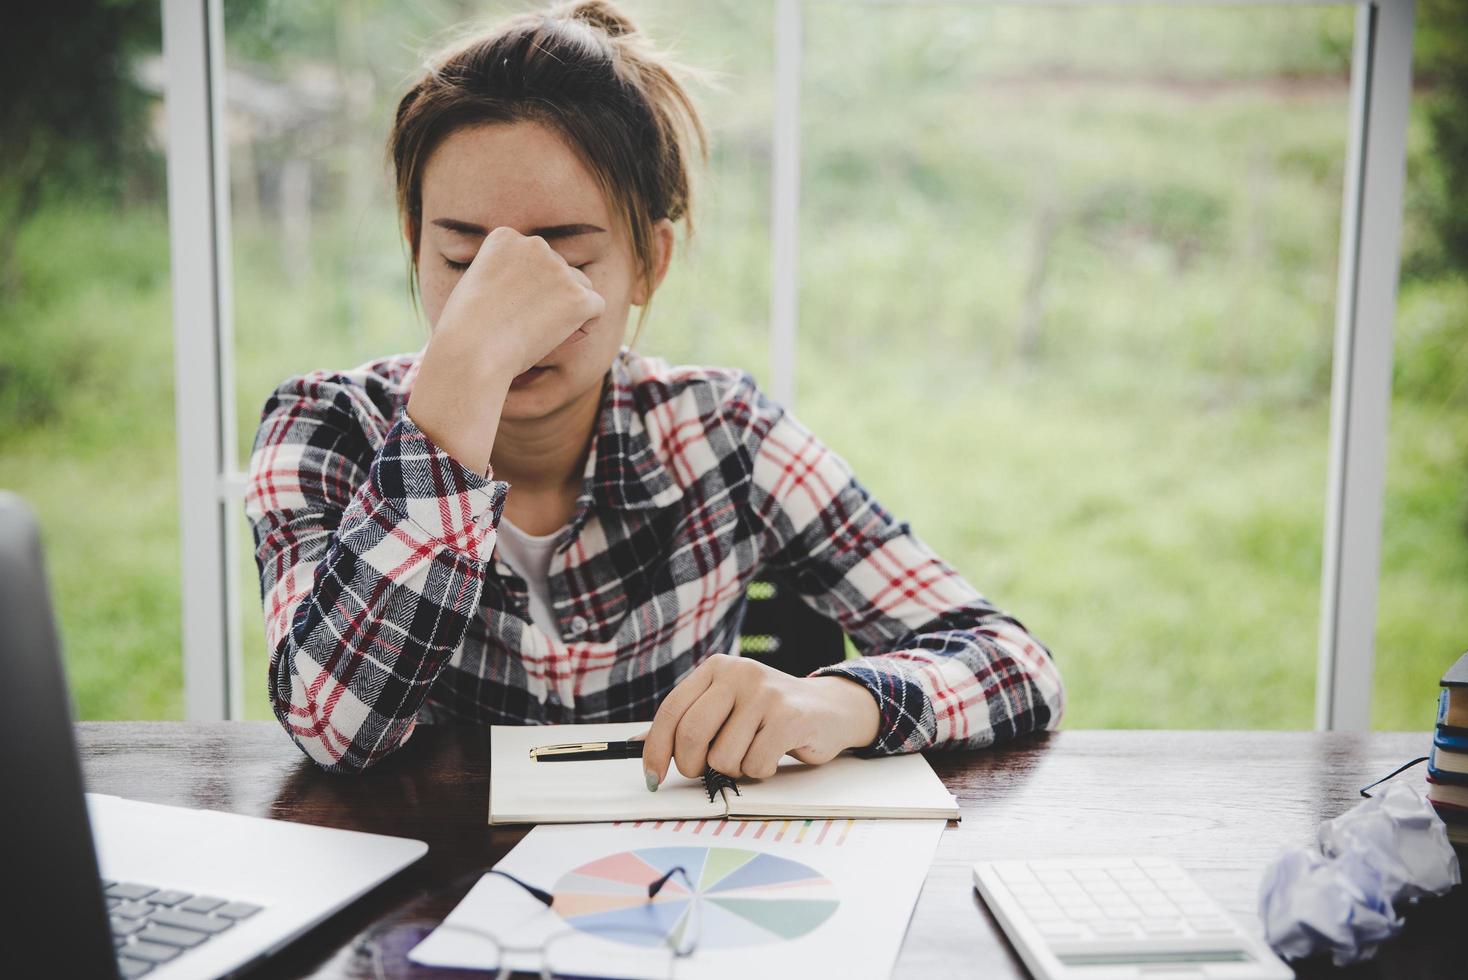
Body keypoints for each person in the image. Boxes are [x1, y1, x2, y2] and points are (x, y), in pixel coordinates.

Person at [244, 0, 1063, 787]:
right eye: (466, 264)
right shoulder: (325, 426)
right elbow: (331, 728)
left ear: (650, 263)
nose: (514, 316)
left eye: (565, 260)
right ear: (414, 252)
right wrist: (461, 378)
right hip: (429, 897)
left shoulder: (721, 434)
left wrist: (835, 700)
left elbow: (1013, 663)